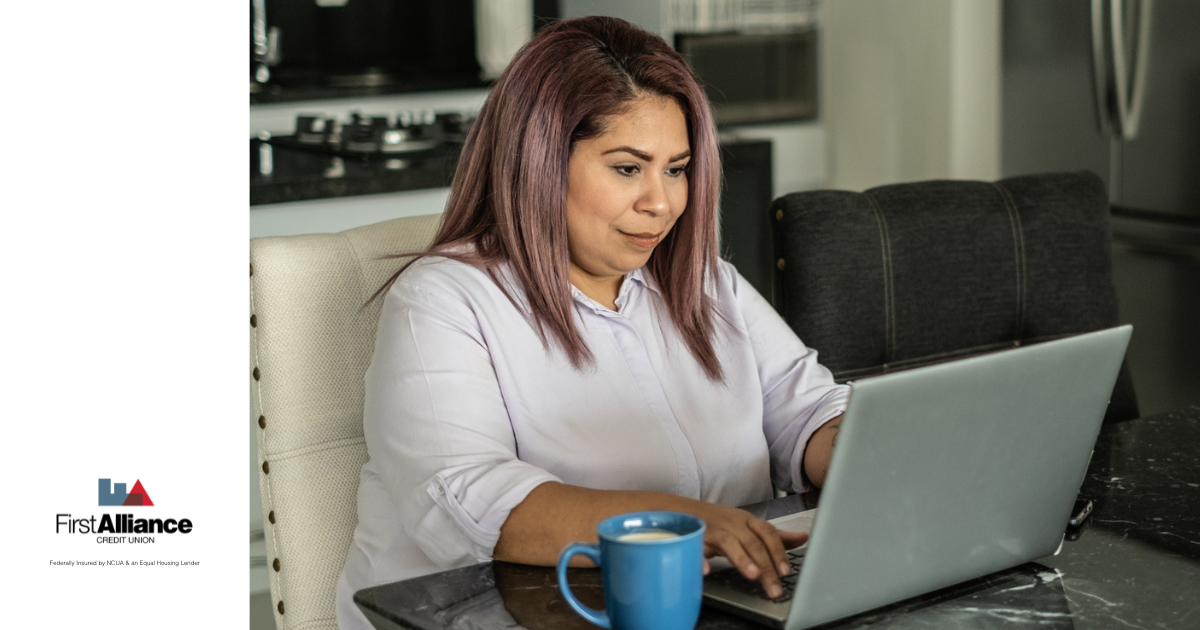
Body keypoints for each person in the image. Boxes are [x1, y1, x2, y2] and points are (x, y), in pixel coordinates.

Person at [336, 16, 848, 630]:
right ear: (540, 163)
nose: (662, 203)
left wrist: (869, 454)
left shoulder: (707, 282)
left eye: (676, 169)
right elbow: (469, 499)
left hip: (685, 605)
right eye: (628, 168)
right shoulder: (443, 300)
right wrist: (680, 524)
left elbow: (808, 411)